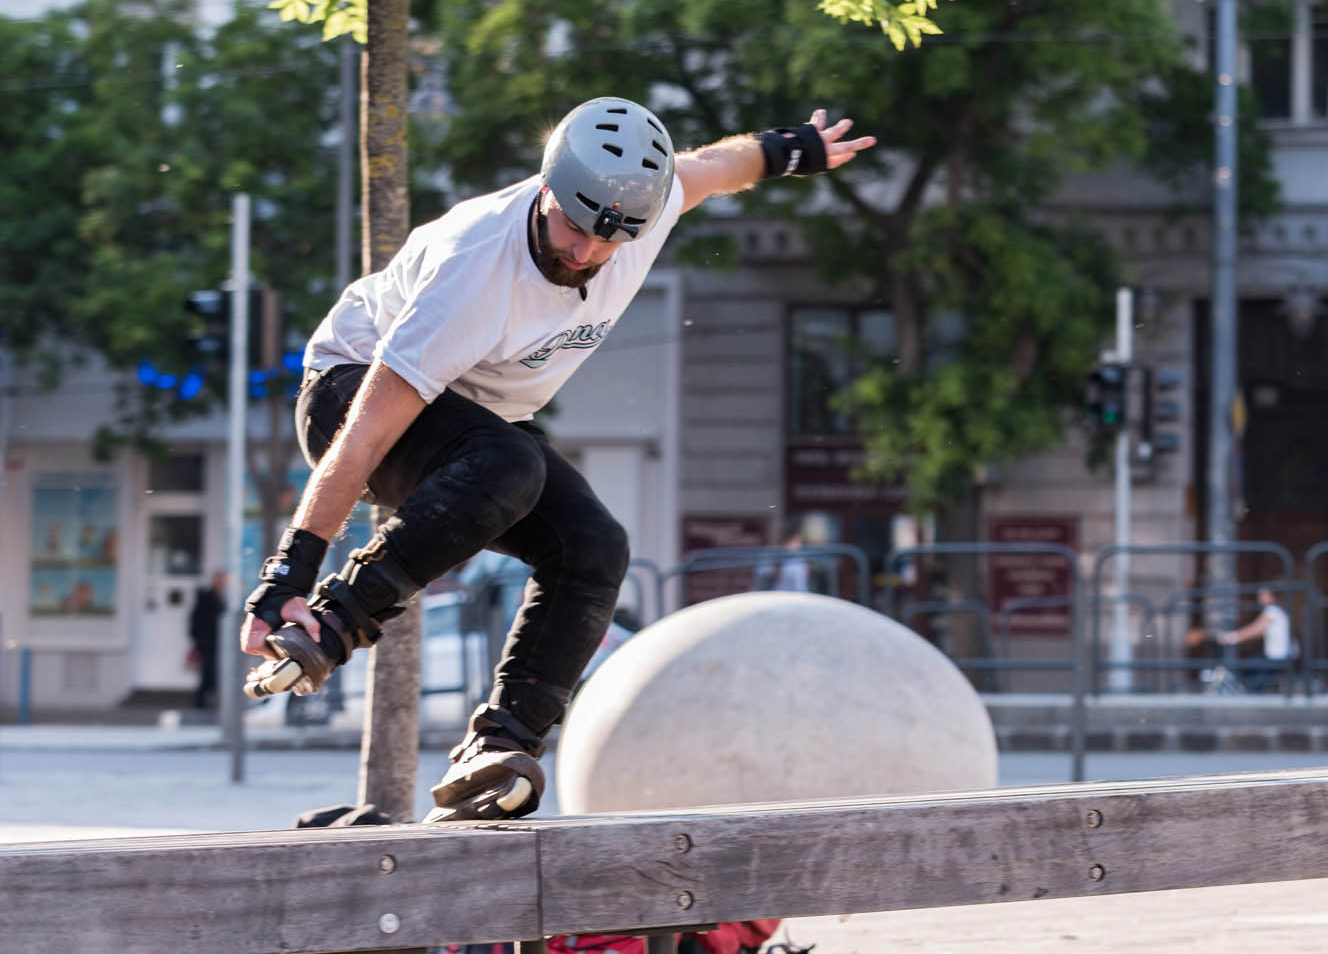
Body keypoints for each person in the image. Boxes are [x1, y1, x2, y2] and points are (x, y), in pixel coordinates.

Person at [238, 97, 876, 822]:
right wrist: (286, 577)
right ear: (547, 188)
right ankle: (336, 621)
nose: (582, 254)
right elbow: (362, 438)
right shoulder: (474, 263)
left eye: (607, 242)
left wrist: (797, 149)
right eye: (572, 227)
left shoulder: (647, 207)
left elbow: (716, 167)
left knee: (594, 547)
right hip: (348, 391)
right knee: (512, 464)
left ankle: (500, 745)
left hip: (478, 425)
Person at [1217, 586, 1298, 692]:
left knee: (1247, 666)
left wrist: (1231, 637)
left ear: (1271, 596)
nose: (1259, 598)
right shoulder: (1278, 610)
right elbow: (1259, 633)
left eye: (1263, 595)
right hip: (1281, 656)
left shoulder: (1271, 611)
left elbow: (1255, 629)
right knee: (1253, 666)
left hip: (1278, 657)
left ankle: (1252, 694)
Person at [189, 570, 228, 709]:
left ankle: (207, 700)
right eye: (219, 581)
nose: (221, 584)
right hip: (207, 643)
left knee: (212, 672)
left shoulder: (223, 598)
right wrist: (198, 639)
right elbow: (196, 620)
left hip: (218, 642)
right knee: (209, 672)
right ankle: (201, 701)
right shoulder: (206, 598)